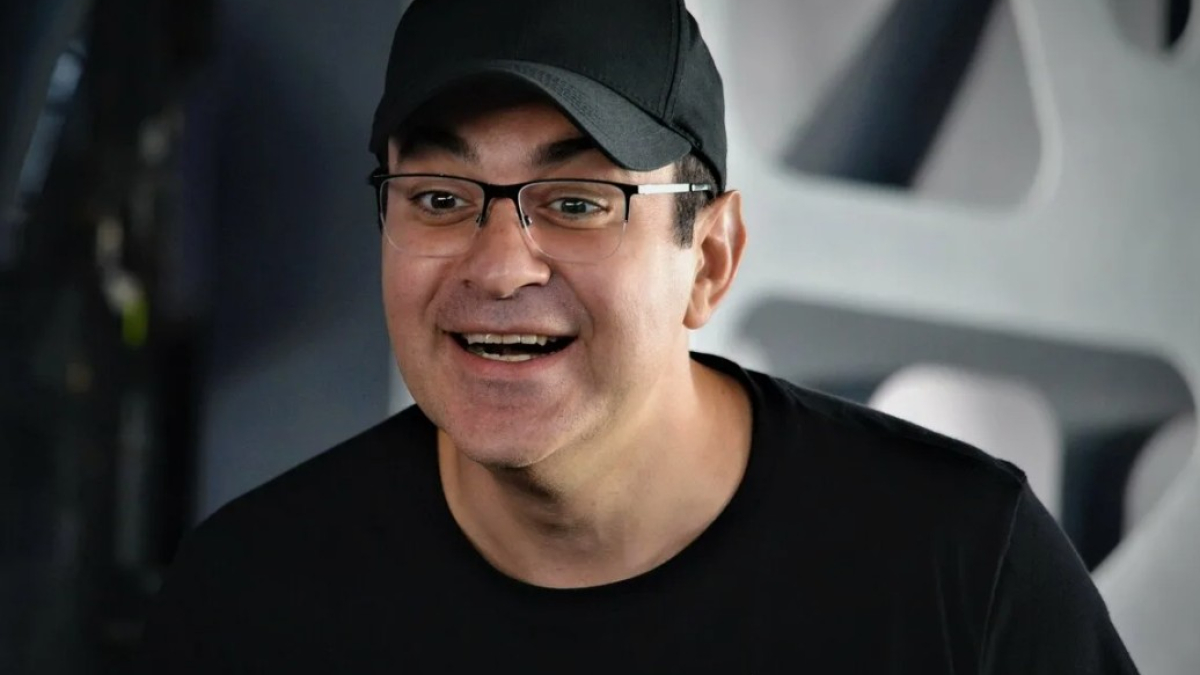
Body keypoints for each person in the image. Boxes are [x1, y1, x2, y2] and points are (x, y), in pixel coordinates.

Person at [138, 0, 1140, 672]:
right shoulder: (254, 600)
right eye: (440, 197)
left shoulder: (962, 571)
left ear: (710, 259)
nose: (498, 266)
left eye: (577, 202)